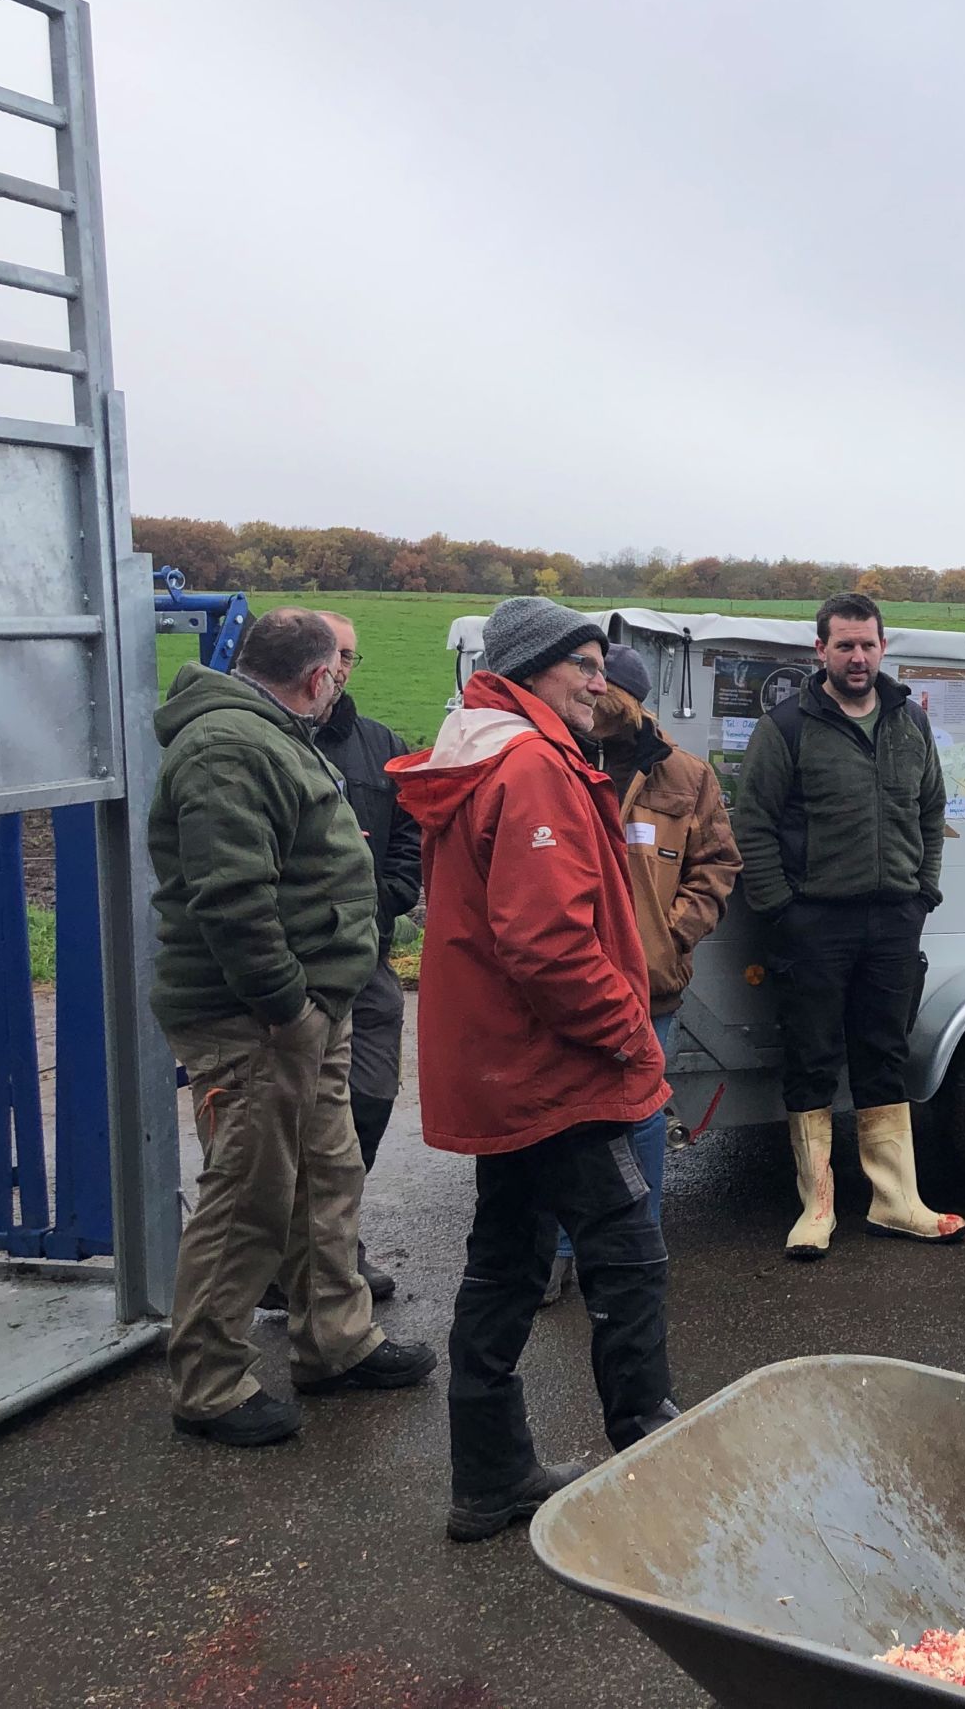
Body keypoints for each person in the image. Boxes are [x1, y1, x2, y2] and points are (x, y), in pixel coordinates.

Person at [390, 597, 677, 1541]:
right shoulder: (531, 765)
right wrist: (627, 1030)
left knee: (506, 1259)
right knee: (627, 1252)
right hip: (553, 1067)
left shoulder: (482, 749)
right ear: (530, 669)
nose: (601, 682)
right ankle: (654, 1465)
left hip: (502, 1063)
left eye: (602, 666)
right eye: (585, 665)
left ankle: (490, 1473)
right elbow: (548, 942)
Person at [148, 607, 436, 1449]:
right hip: (259, 1020)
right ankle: (207, 1382)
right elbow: (233, 898)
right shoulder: (227, 746)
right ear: (318, 678)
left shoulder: (269, 733)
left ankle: (334, 1341)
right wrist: (289, 1009)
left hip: (307, 1010)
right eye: (336, 675)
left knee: (325, 1176)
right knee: (248, 1196)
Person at [732, 592, 962, 1258]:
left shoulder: (910, 722)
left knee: (883, 1056)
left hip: (893, 921)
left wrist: (923, 891)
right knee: (811, 1060)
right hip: (814, 925)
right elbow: (752, 824)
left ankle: (897, 1202)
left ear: (883, 648)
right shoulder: (787, 727)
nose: (857, 656)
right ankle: (818, 1208)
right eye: (844, 645)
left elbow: (932, 808)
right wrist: (782, 910)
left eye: (867, 644)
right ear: (821, 651)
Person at [539, 643, 741, 1303]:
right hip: (568, 972)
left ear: (628, 696)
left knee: (643, 1112)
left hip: (649, 981)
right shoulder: (554, 761)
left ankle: (637, 1245)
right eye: (587, 682)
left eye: (605, 686)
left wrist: (675, 934)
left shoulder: (683, 775)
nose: (594, 695)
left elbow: (717, 863)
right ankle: (562, 1249)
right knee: (564, 1114)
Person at [300, 610, 419, 1304]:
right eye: (332, 652)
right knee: (290, 1121)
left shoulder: (381, 747)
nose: (341, 666)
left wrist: (385, 902)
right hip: (296, 969)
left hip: (367, 962)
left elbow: (410, 842)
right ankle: (307, 1258)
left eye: (351, 655)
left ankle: (339, 1238)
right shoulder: (272, 742)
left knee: (367, 1099)